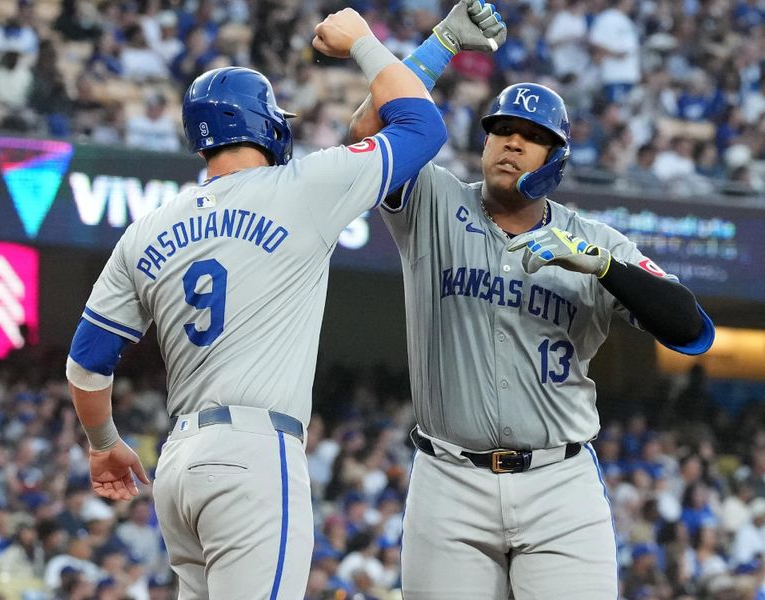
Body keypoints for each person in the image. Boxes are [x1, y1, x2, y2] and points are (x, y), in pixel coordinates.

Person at [65, 8, 447, 600]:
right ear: (266, 124)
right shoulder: (303, 188)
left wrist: (103, 443)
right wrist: (367, 43)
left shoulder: (146, 229)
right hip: (254, 455)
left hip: (179, 464)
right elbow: (421, 127)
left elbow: (86, 364)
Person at [350, 3, 715, 598]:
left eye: (532, 138)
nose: (512, 144)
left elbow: (693, 330)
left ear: (557, 159)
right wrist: (441, 43)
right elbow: (367, 134)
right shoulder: (434, 202)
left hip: (558, 482)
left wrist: (604, 267)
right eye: (503, 131)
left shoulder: (598, 241)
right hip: (449, 478)